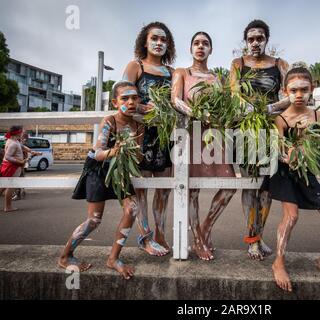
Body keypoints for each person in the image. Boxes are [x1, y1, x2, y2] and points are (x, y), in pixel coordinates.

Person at [263, 66, 320, 291]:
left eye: (304, 89)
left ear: (311, 89)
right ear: (285, 92)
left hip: (306, 172)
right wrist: (290, 152)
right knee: (291, 217)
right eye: (294, 90)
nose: (299, 94)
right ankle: (278, 262)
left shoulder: (316, 115)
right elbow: (279, 149)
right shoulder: (280, 119)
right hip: (284, 173)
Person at [58, 81, 149, 280]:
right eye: (125, 98)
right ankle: (65, 255)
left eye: (134, 97)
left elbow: (139, 157)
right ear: (116, 102)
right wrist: (116, 150)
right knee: (94, 220)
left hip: (121, 171)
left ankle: (113, 258)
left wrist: (133, 151)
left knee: (132, 209)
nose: (131, 102)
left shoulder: (138, 124)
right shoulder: (110, 121)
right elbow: (97, 153)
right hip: (99, 170)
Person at [171, 31, 236, 260]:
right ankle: (197, 240)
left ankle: (205, 227)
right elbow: (176, 100)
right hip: (191, 133)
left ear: (211, 49)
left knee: (230, 185)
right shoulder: (182, 72)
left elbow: (224, 107)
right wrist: (196, 112)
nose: (201, 47)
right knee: (192, 189)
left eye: (205, 44)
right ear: (191, 49)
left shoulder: (216, 78)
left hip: (214, 136)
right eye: (196, 43)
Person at [229, 19, 290, 260]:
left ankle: (258, 236)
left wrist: (268, 109)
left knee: (266, 188)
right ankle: (251, 239)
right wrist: (249, 109)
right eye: (251, 39)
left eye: (260, 38)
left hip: (271, 130)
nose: (256, 42)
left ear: (266, 40)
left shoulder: (280, 64)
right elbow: (234, 93)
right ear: (246, 41)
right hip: (245, 130)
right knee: (248, 186)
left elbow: (290, 93)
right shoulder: (237, 64)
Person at [122, 21, 176, 255]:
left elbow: (178, 103)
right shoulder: (135, 66)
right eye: (154, 38)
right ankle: (145, 237)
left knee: (164, 189)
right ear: (145, 41)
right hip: (140, 136)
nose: (159, 43)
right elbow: (123, 97)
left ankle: (161, 233)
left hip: (165, 138)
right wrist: (144, 108)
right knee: (141, 189)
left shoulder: (172, 73)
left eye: (164, 40)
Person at [0, 126, 27, 212]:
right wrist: (21, 162)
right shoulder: (13, 143)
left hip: (10, 166)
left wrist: (31, 151)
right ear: (18, 132)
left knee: (3, 186)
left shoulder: (13, 141)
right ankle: (8, 207)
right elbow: (7, 156)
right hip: (12, 167)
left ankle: (8, 206)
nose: (23, 133)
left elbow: (22, 146)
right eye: (22, 131)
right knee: (10, 186)